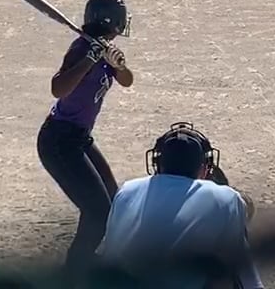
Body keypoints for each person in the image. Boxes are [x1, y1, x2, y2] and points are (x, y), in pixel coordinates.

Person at [37, 0, 135, 278]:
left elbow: (127, 81)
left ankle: (91, 262)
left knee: (113, 203)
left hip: (79, 138)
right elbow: (58, 88)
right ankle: (73, 272)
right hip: (58, 141)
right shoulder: (82, 49)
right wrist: (90, 58)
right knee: (97, 211)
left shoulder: (104, 49)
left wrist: (119, 65)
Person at [98, 121, 262, 289]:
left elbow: (108, 254)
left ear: (158, 165)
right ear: (204, 169)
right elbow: (247, 277)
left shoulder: (127, 191)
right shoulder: (226, 198)